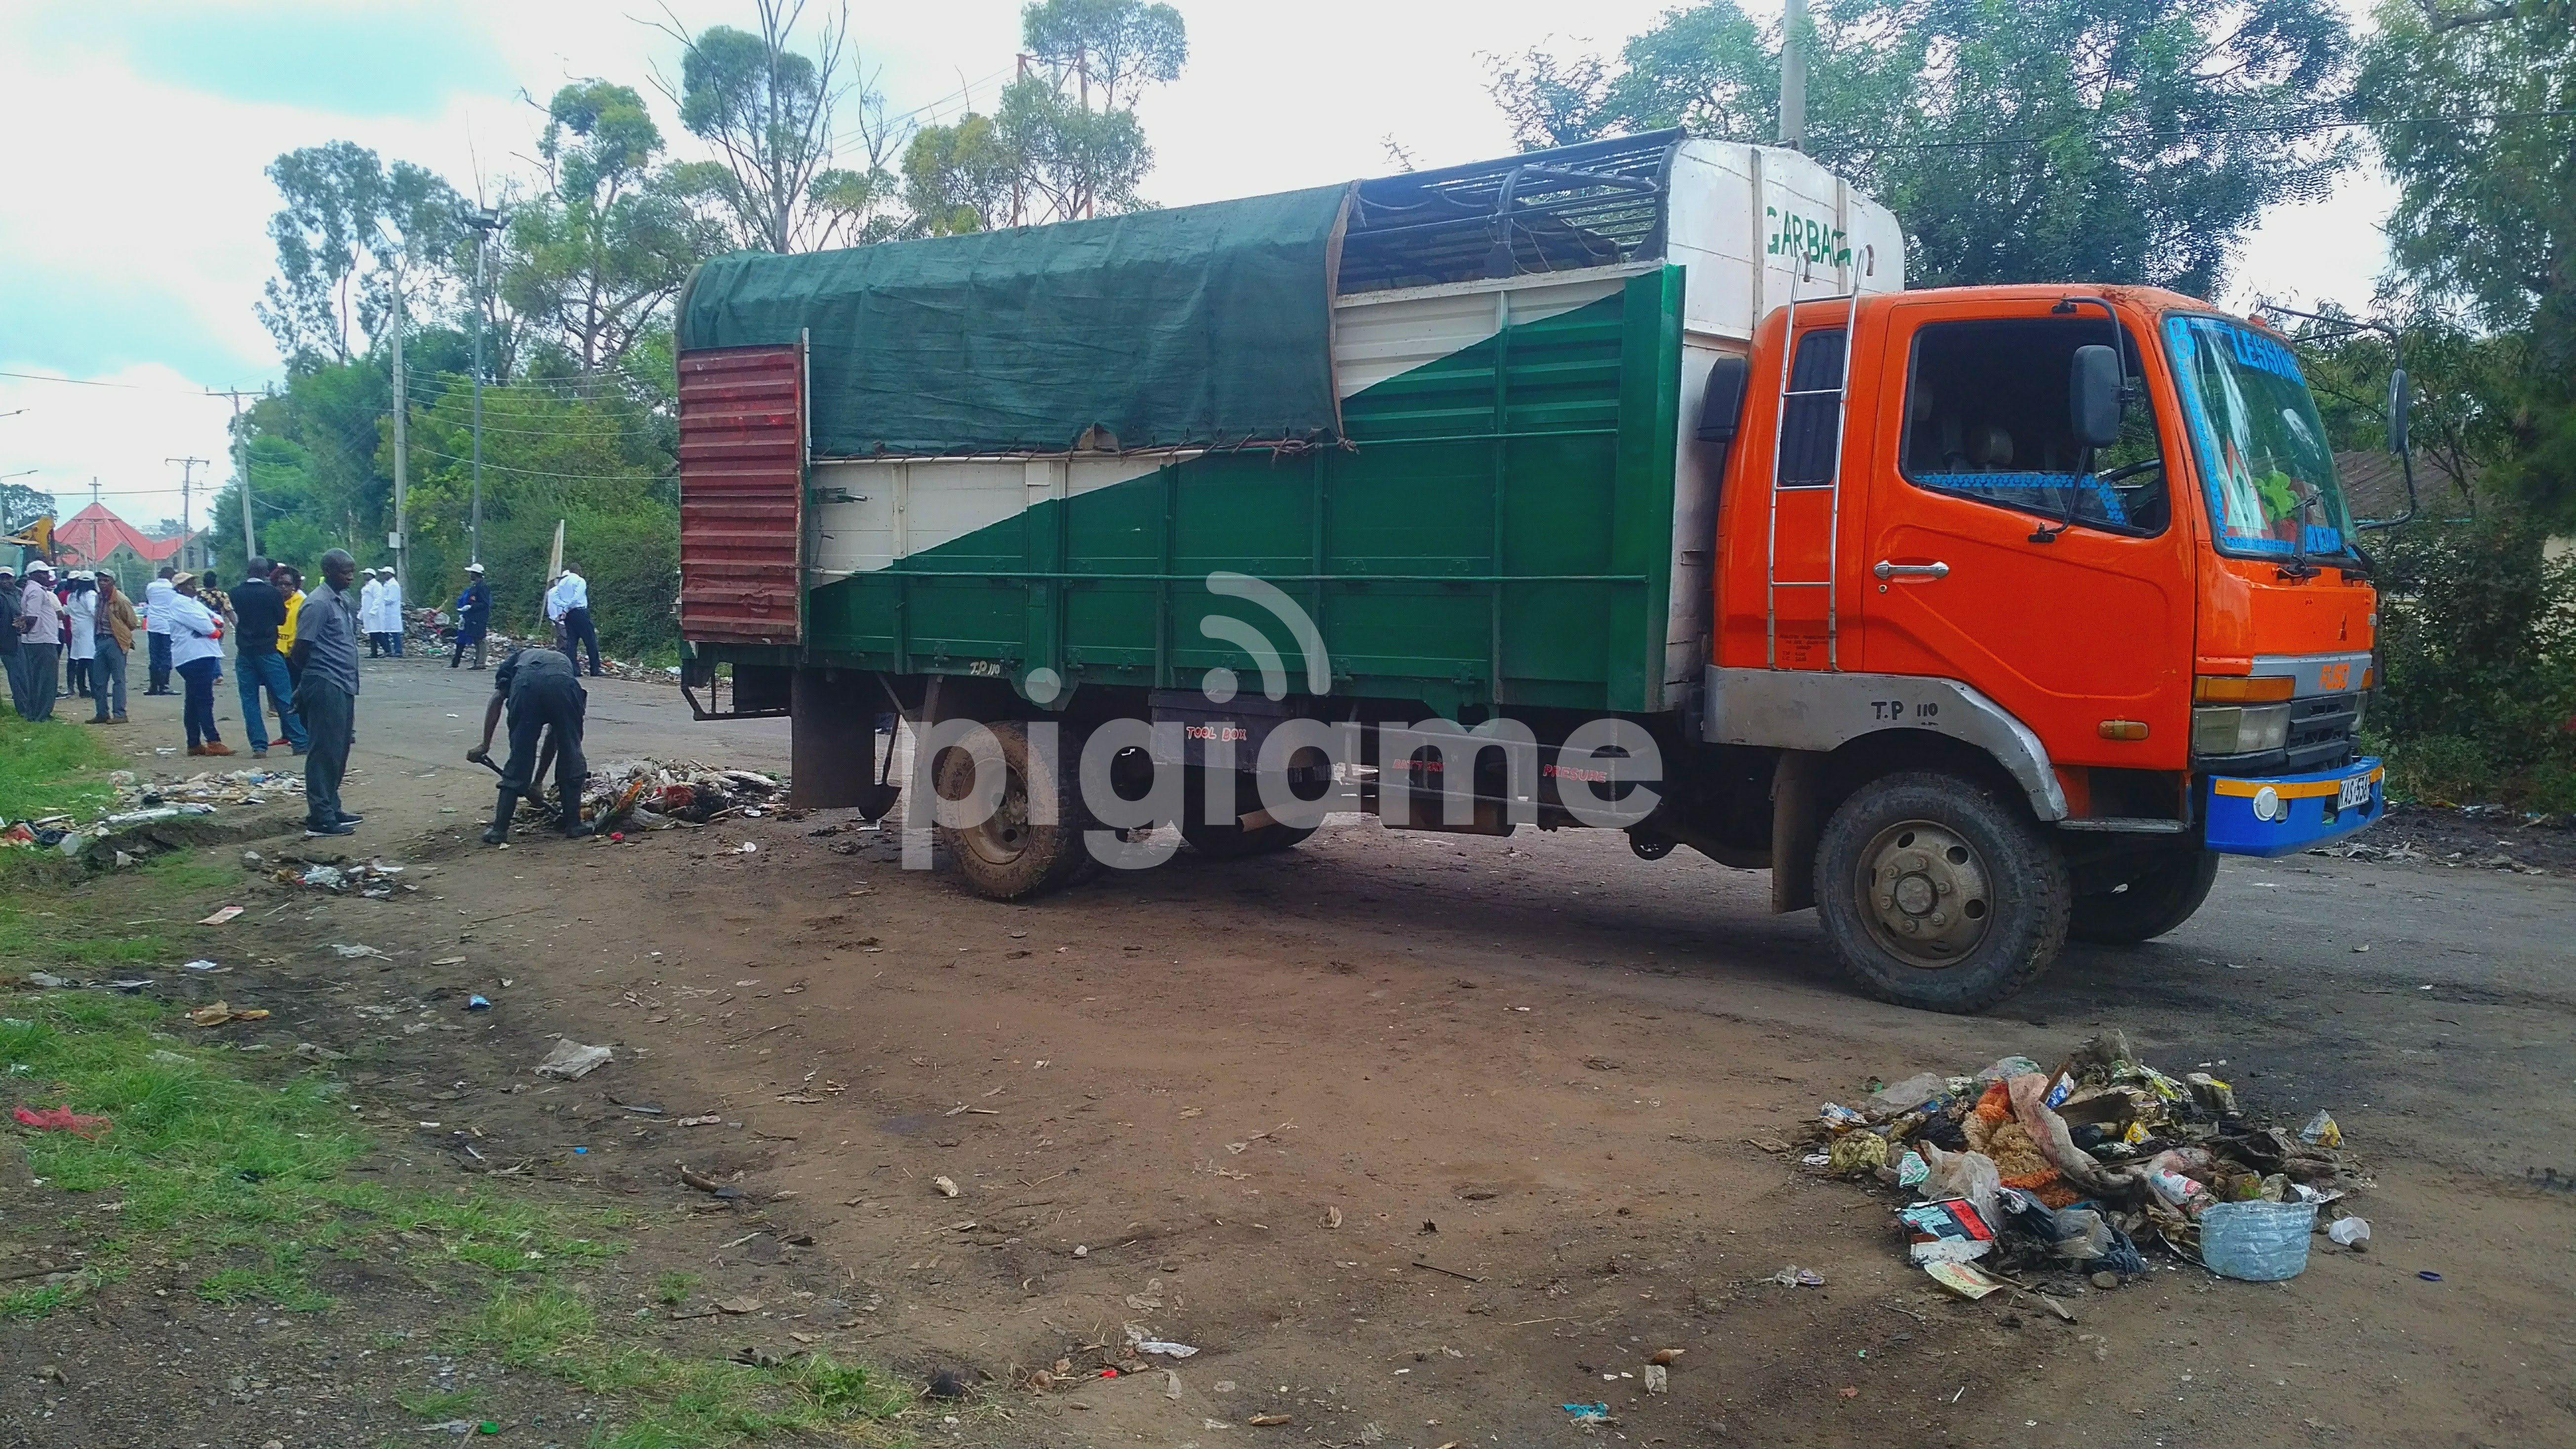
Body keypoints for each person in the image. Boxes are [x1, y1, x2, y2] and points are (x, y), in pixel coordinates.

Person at [467, 643, 595, 844]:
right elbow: (556, 737)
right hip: (563, 687)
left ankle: (499, 831)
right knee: (571, 752)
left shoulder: (513, 664)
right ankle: (574, 825)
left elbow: (497, 699)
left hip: (525, 687)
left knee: (520, 757)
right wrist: (537, 782)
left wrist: (485, 745)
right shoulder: (561, 664)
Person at [289, 549, 363, 838]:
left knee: (340, 747)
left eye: (352, 570)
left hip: (344, 682)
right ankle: (320, 817)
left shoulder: (343, 601)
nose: (350, 576)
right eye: (345, 571)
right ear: (329, 571)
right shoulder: (317, 604)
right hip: (325, 681)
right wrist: (308, 683)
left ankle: (332, 806)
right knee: (324, 750)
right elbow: (300, 650)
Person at [228, 556, 307, 761]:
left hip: (245, 652)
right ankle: (299, 741)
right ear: (266, 573)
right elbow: (281, 619)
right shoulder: (272, 593)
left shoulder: (236, 593)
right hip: (269, 650)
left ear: (248, 571)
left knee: (250, 700)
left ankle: (258, 746)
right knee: (283, 697)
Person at [162, 571, 230, 755]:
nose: (194, 588)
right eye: (190, 585)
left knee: (193, 701)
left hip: (200, 655)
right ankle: (213, 740)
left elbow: (217, 620)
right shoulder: (180, 605)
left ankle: (194, 743)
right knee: (204, 700)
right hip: (194, 656)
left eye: (194, 583)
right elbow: (208, 627)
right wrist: (214, 628)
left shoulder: (193, 604)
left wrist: (214, 627)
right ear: (180, 588)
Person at [15, 561, 63, 722]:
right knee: (47, 680)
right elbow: (32, 617)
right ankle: (42, 715)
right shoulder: (36, 591)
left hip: (37, 640)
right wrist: (27, 630)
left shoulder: (33, 590)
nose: (47, 576)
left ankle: (34, 714)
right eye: (43, 573)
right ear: (34, 575)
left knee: (36, 679)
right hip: (42, 640)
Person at [89, 572, 136, 724]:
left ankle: (120, 714)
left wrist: (121, 635)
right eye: (100, 580)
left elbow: (132, 623)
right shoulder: (99, 597)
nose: (102, 583)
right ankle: (102, 713)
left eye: (106, 580)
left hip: (115, 641)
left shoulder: (121, 600)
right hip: (101, 640)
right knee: (99, 681)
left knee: (118, 680)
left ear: (113, 582)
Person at [548, 563, 601, 676]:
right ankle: (595, 669)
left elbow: (555, 597)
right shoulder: (580, 581)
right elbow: (577, 597)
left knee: (572, 642)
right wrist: (568, 607)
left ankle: (574, 670)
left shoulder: (562, 583)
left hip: (569, 615)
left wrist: (564, 607)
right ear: (579, 571)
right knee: (590, 640)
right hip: (580, 612)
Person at [144, 564, 178, 694]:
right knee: (166, 655)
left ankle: (153, 686)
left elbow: (149, 600)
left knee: (154, 656)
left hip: (153, 624)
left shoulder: (151, 586)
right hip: (167, 625)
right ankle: (164, 685)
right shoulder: (173, 588)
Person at [451, 563, 491, 670]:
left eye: (472, 573)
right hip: (474, 617)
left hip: (480, 617)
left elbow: (485, 604)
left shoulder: (482, 587)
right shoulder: (476, 587)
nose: (470, 575)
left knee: (480, 639)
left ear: (476, 574)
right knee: (477, 639)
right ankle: (478, 662)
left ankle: (481, 663)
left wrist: (471, 607)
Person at [65, 573, 96, 699]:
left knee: (80, 660)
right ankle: (95, 689)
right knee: (90, 660)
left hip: (77, 628)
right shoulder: (90, 595)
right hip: (88, 628)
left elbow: (68, 611)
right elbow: (93, 610)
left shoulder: (72, 596)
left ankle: (82, 688)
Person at [0, 565, 19, 718]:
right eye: (2, 578)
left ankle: (23, 707)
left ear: (15, 579)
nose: (5, 581)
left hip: (17, 640)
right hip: (6, 641)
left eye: (8, 578)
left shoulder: (20, 594)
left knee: (20, 675)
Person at [358, 568, 386, 657]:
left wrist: (373, 611)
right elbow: (364, 602)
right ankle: (374, 653)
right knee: (372, 633)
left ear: (371, 575)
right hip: (368, 613)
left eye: (366, 574)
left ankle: (387, 650)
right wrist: (361, 614)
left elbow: (378, 599)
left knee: (377, 632)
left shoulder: (376, 585)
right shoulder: (367, 586)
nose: (364, 576)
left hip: (375, 613)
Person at [377, 567, 403, 656]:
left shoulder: (394, 585)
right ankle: (388, 650)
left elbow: (391, 599)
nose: (383, 575)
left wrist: (380, 601)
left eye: (385, 573)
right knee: (386, 632)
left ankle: (398, 651)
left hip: (392, 613)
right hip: (386, 612)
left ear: (390, 574)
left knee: (395, 632)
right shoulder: (387, 584)